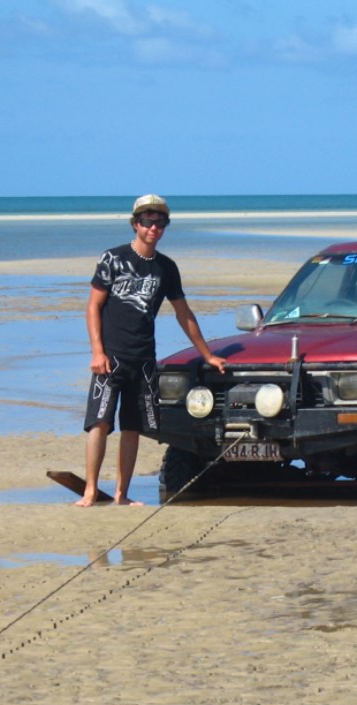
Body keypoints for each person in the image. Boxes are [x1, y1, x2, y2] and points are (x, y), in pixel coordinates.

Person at [77, 194, 227, 506]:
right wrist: (97, 351)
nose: (153, 227)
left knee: (133, 427)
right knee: (100, 423)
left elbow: (183, 314)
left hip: (144, 360)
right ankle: (90, 490)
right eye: (147, 221)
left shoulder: (166, 268)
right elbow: (93, 306)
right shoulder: (112, 259)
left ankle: (122, 494)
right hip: (111, 357)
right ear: (136, 224)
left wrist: (208, 354)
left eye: (159, 222)